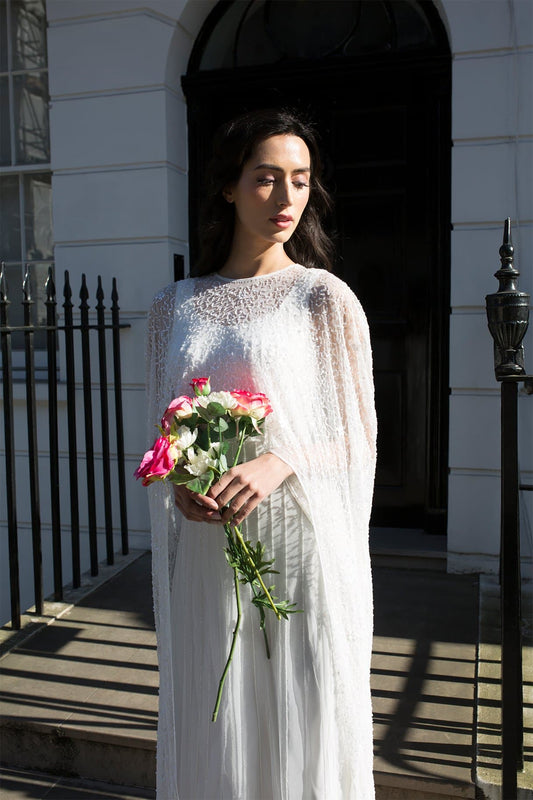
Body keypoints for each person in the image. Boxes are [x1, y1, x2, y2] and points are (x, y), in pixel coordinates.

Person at [145, 108, 377, 800]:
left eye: (299, 181)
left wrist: (283, 460)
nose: (284, 199)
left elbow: (359, 435)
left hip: (293, 544)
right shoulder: (173, 306)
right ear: (228, 186)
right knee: (218, 716)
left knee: (297, 708)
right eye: (265, 179)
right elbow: (162, 432)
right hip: (207, 549)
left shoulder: (320, 297)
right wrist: (178, 482)